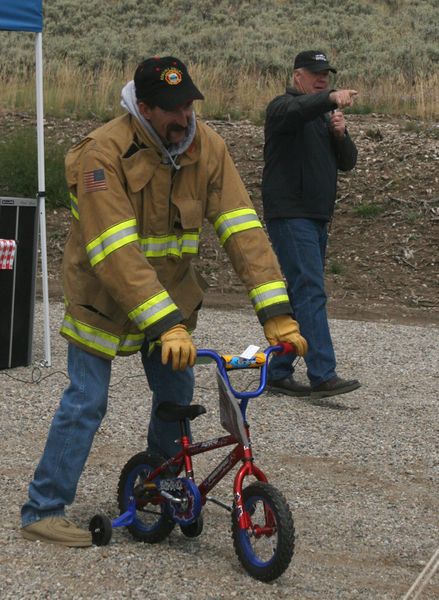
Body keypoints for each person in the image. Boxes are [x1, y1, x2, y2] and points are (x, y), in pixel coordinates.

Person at [20, 56, 308, 547]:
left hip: (172, 303)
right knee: (87, 402)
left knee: (175, 404)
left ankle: (158, 486)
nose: (185, 118)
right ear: (144, 109)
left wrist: (277, 315)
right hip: (103, 302)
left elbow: (242, 229)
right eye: (173, 109)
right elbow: (115, 250)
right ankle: (42, 510)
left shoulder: (206, 146)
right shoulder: (101, 154)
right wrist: (164, 323)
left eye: (189, 105)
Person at [262, 50, 361, 399]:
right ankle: (322, 374)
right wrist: (330, 99)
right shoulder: (282, 109)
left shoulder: (323, 116)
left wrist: (340, 134)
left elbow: (347, 162)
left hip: (317, 217)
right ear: (297, 77)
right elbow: (298, 110)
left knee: (300, 293)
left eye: (326, 76)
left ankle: (277, 370)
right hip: (291, 215)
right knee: (310, 290)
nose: (322, 79)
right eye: (315, 74)